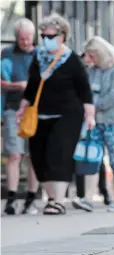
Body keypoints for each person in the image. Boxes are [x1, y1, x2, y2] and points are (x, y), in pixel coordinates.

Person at [16, 13, 94, 215]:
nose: (46, 40)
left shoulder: (72, 60)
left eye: (51, 36)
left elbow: (84, 90)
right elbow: (32, 86)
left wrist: (90, 115)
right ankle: (51, 197)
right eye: (44, 36)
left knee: (58, 155)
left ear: (62, 36)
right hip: (40, 115)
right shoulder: (38, 57)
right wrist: (22, 107)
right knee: (40, 158)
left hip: (67, 114)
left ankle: (58, 201)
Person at [83, 36, 114, 212]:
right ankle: (88, 198)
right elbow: (87, 92)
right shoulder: (92, 71)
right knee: (92, 157)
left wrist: (94, 106)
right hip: (95, 121)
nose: (89, 60)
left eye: (91, 56)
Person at [1, 18, 39, 215]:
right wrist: (19, 86)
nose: (25, 42)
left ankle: (31, 199)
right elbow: (1, 82)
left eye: (28, 38)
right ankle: (12, 198)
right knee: (15, 154)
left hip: (35, 111)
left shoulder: (40, 54)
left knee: (33, 156)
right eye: (21, 39)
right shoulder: (7, 54)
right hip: (13, 109)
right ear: (16, 37)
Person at [71, 52, 111, 211]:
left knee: (96, 157)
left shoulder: (96, 74)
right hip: (79, 119)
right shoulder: (81, 75)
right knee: (80, 157)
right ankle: (82, 195)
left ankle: (104, 191)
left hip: (93, 118)